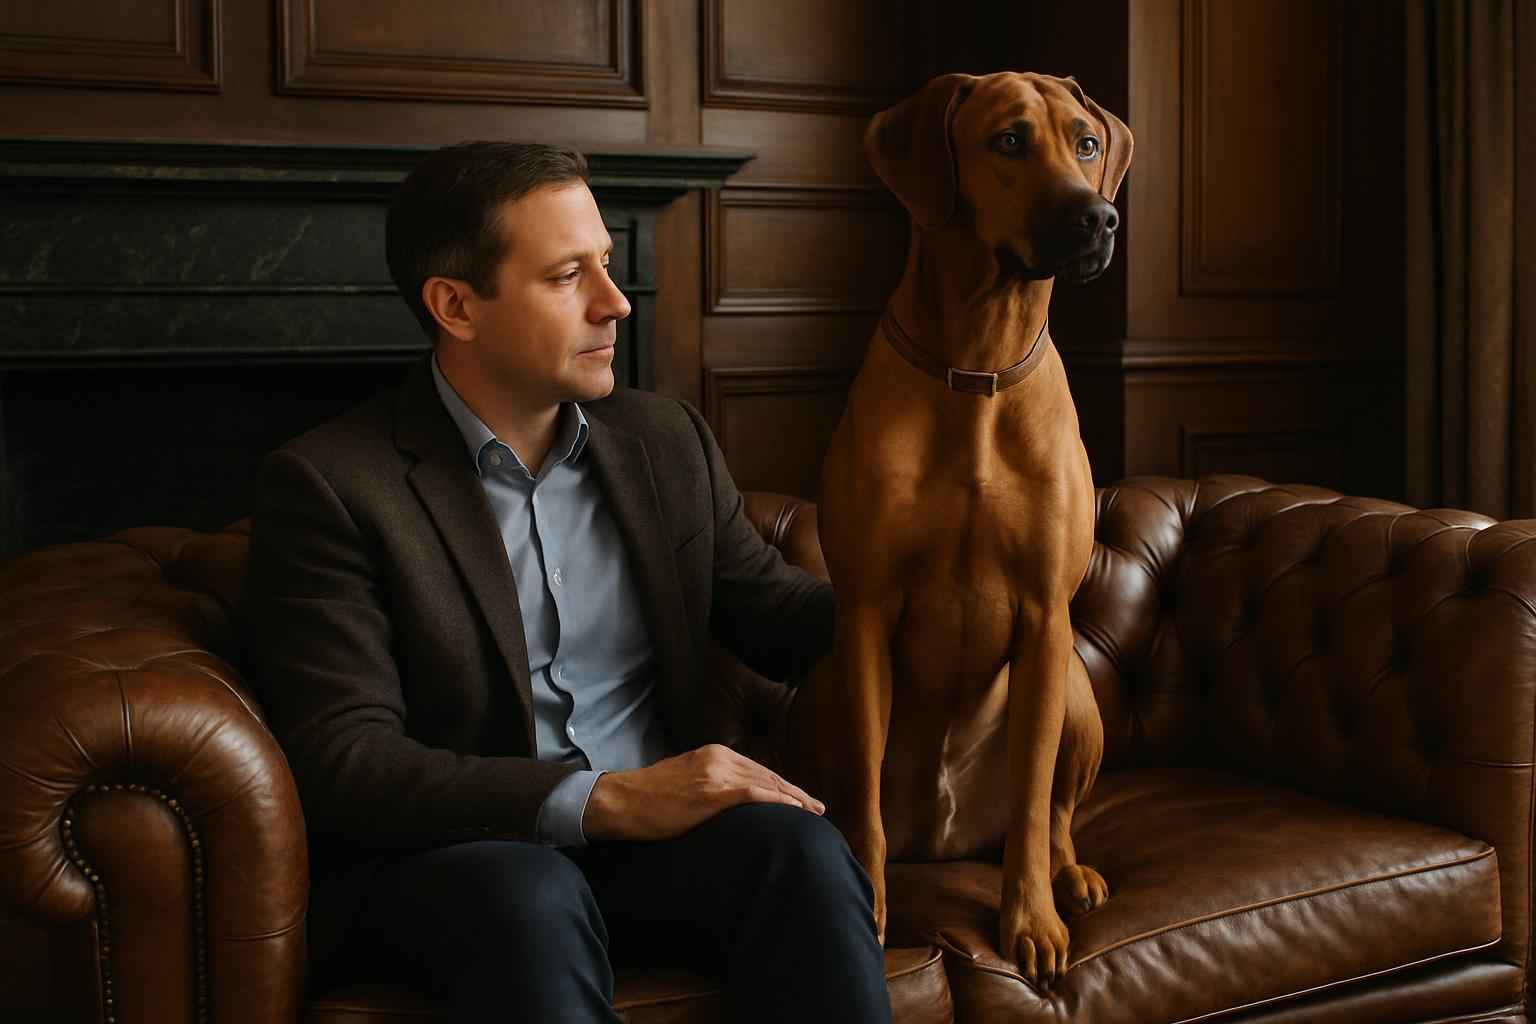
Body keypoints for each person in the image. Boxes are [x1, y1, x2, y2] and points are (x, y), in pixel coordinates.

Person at [238, 141, 892, 1023]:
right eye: (566, 276)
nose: (615, 303)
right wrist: (608, 800)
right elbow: (346, 760)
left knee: (800, 851)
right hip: (463, 861)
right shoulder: (332, 485)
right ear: (456, 306)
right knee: (530, 893)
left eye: (609, 266)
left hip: (655, 854)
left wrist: (932, 600)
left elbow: (775, 612)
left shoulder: (664, 441)